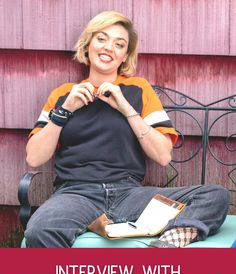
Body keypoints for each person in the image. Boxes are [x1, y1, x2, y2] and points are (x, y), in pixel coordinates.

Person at [25, 11, 230, 248]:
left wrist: (126, 108)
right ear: (88, 44)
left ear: (125, 56)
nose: (109, 47)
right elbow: (35, 157)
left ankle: (163, 249)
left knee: (215, 195)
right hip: (76, 194)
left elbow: (163, 156)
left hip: (129, 194)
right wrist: (65, 110)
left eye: (119, 44)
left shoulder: (138, 89)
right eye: (101, 39)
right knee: (40, 230)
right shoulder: (62, 94)